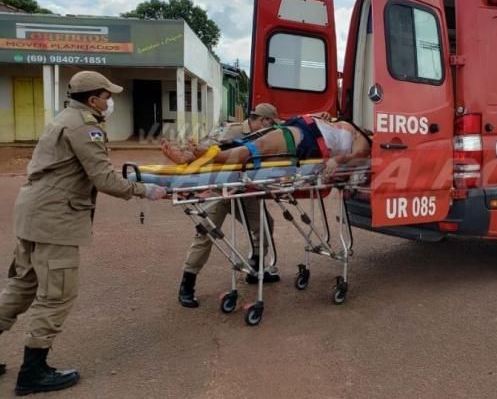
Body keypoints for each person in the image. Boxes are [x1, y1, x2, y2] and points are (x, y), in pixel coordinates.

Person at [0, 71, 167, 395]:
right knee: (57, 294)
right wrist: (145, 190)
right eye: (107, 96)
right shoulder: (84, 126)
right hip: (54, 220)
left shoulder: (65, 118)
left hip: (33, 213)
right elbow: (104, 179)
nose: (111, 102)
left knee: (22, 285)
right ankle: (33, 372)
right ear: (93, 100)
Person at [171, 104, 284, 308]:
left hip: (246, 189)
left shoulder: (267, 134)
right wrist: (189, 156)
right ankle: (187, 285)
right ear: (263, 120)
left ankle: (256, 269)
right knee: (205, 233)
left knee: (265, 225)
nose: (272, 129)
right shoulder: (231, 130)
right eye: (271, 124)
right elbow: (202, 150)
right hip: (221, 190)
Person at [161, 114, 371, 175]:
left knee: (259, 145)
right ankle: (191, 156)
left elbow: (359, 156)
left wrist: (337, 159)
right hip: (306, 127)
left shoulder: (364, 139)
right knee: (251, 139)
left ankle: (207, 155)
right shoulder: (351, 125)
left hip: (311, 141)